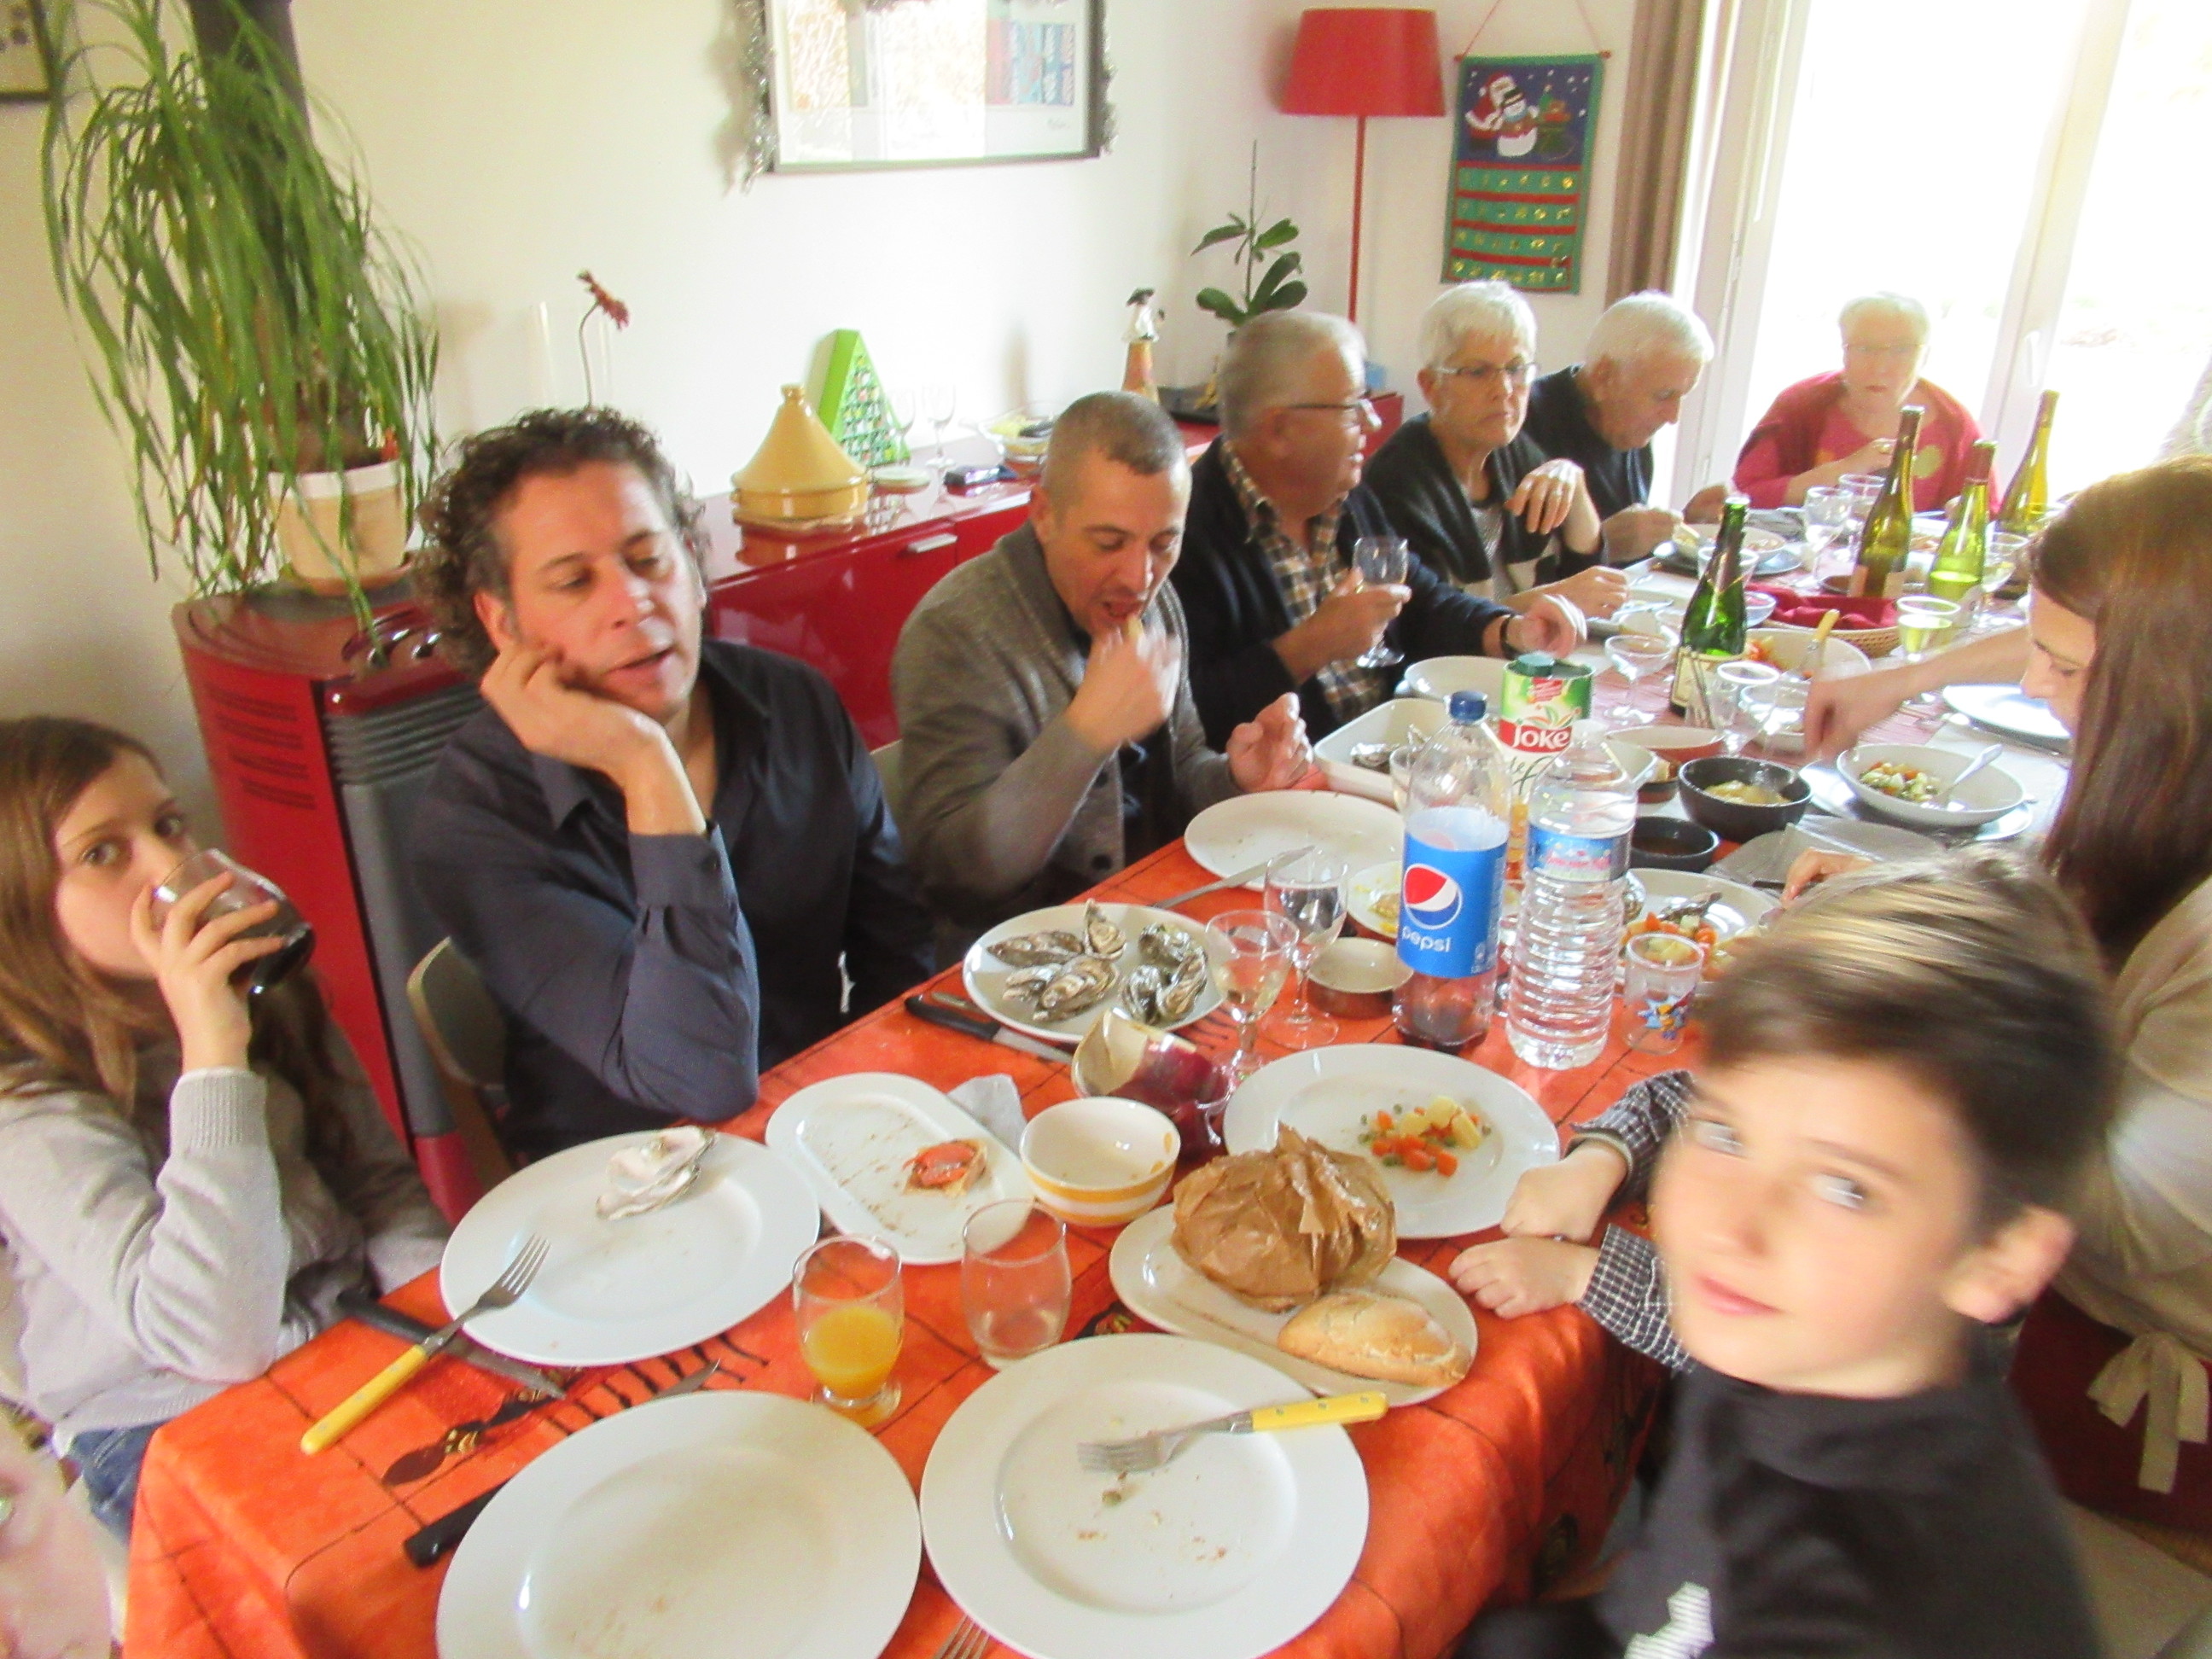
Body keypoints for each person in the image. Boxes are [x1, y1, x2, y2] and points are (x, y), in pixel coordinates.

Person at [1453, 852, 2114, 1658]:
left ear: (2002, 1260)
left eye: (1847, 1189)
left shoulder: (1873, 1612)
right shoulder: (1809, 1353)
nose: (1731, 1228)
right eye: (1729, 1135)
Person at [1797, 455, 2212, 1528]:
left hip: (2098, 1352)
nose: (2033, 685)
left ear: (2170, 683)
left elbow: (2125, 1226)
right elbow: (2043, 891)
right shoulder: (2164, 782)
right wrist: (1909, 896)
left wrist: (1923, 1039)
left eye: (2062, 667)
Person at [410, 409, 933, 1162]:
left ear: (691, 563)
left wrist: (892, 1111)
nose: (631, 602)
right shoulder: (474, 819)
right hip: (631, 1183)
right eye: (574, 582)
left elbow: (897, 950)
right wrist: (646, 766)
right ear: (502, 622)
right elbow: (699, 1076)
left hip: (826, 1129)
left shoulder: (795, 702)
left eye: (649, 559)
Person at [0, 719, 449, 1539]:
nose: (168, 867)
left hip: (342, 1339)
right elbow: (218, 1339)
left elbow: (377, 1188)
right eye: (104, 853)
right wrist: (213, 1057)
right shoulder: (28, 1112)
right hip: (166, 1419)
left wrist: (442, 1320)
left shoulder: (263, 992)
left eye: (168, 825)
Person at [893, 392, 1314, 946]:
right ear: (1044, 515)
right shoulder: (957, 634)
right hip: (1018, 959)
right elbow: (957, 879)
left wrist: (1237, 779)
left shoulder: (1157, 604)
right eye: (1109, 543)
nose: (1139, 578)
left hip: (1154, 922)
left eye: (1164, 544)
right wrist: (1085, 733)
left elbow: (1182, 766)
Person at [1172, 311, 1583, 747]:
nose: (1372, 422)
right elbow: (1184, 720)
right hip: (1295, 779)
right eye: (1353, 407)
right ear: (1279, 429)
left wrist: (1510, 631)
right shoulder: (1186, 533)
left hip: (1387, 752)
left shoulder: (1343, 495)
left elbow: (1421, 602)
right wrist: (1310, 646)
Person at [1365, 282, 1623, 616]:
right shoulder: (1396, 485)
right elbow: (1425, 628)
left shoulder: (1520, 455)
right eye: (1477, 371)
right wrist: (1550, 601)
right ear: (1431, 387)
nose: (1503, 389)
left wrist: (1574, 484)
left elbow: (1589, 585)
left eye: (1516, 369)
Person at [1732, 292, 1983, 511]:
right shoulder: (1800, 406)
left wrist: (1964, 511)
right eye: (1864, 348)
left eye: (1901, 350)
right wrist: (1846, 469)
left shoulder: (1953, 423)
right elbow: (1743, 495)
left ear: (1925, 356)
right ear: (1844, 351)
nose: (1880, 367)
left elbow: (1987, 512)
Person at [1522, 290, 1726, 553]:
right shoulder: (1522, 424)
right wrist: (1603, 545)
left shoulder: (1627, 427)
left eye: (1681, 396)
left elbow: (1629, 551)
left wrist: (1684, 527)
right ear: (1605, 377)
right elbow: (1508, 568)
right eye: (1664, 395)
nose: (1673, 417)